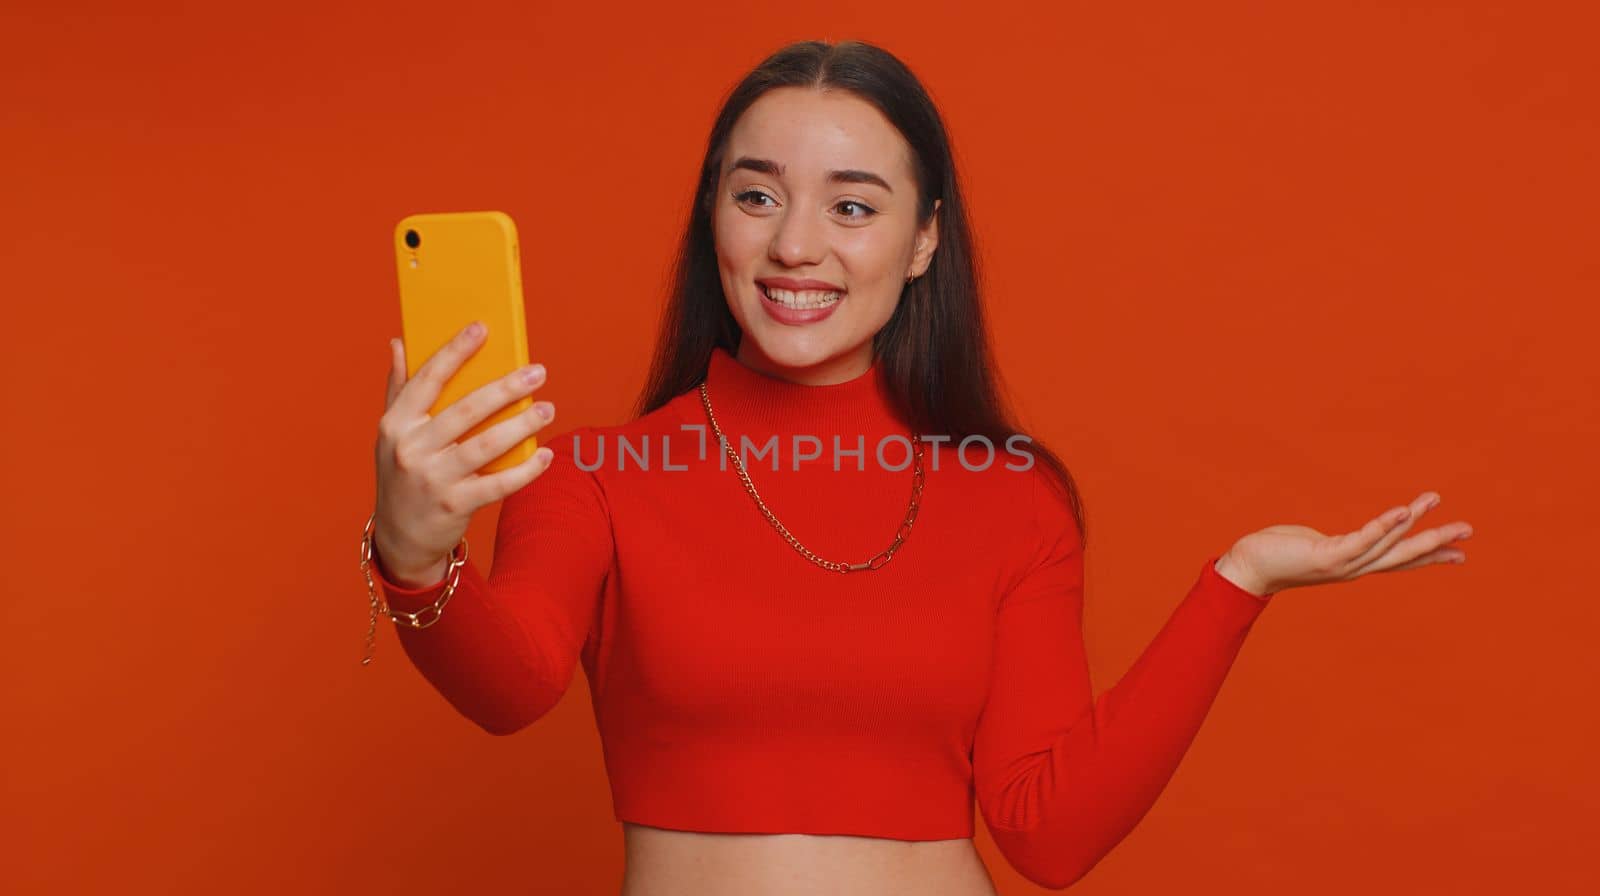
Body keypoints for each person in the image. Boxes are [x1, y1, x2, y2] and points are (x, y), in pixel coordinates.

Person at [363, 39, 1474, 895]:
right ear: (714, 217)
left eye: (853, 205)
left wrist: (1237, 582)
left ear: (925, 237)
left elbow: (1048, 829)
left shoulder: (1011, 493)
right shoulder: (594, 473)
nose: (797, 242)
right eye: (757, 195)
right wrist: (417, 559)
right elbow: (510, 685)